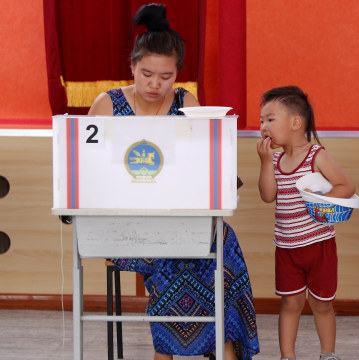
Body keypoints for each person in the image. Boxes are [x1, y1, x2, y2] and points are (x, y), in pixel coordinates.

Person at [88, 4, 259, 359]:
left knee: (220, 242)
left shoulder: (186, 102)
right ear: (132, 67)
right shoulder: (107, 105)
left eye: (165, 76)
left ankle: (223, 346)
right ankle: (171, 351)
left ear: (177, 74)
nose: (155, 84)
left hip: (179, 213)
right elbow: (89, 173)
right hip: (125, 224)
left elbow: (201, 167)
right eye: (146, 73)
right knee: (175, 256)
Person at [256, 86, 355, 360]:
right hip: (286, 247)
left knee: (322, 304)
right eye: (261, 120)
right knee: (290, 303)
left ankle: (328, 353)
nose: (263, 126)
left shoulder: (316, 156)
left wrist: (322, 204)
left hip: (319, 245)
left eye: (270, 119)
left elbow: (346, 185)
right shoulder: (275, 160)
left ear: (296, 123)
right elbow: (267, 196)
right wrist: (264, 162)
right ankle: (287, 356)